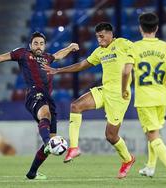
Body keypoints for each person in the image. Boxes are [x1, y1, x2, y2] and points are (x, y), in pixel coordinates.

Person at [0, 31, 79, 180]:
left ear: (44, 46)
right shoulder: (22, 54)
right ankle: (47, 142)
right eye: (36, 43)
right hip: (34, 94)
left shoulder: (47, 58)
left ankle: (32, 172)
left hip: (48, 98)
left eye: (41, 43)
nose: (38, 46)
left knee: (51, 140)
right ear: (30, 44)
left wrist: (70, 47)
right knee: (45, 116)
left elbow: (59, 55)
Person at [43, 22, 135, 179]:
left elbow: (141, 56)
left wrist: (162, 74)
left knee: (111, 136)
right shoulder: (99, 52)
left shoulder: (123, 43)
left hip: (120, 96)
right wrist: (58, 70)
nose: (99, 40)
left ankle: (128, 159)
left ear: (111, 34)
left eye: (102, 36)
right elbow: (81, 65)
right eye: (97, 37)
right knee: (75, 106)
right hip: (105, 90)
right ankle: (74, 148)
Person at [122, 13, 166, 187]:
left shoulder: (134, 47)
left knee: (153, 136)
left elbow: (126, 71)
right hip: (162, 97)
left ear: (140, 28)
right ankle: (150, 167)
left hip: (145, 99)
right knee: (154, 132)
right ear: (157, 28)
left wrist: (123, 90)